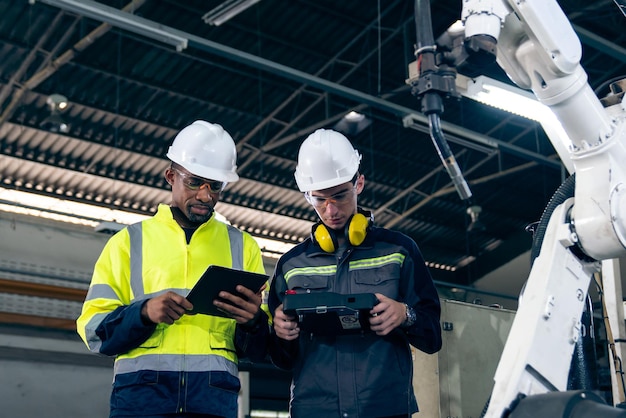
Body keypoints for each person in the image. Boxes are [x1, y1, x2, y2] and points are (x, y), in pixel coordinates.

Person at [76, 120, 269, 418]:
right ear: (171, 176)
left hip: (212, 401)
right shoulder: (127, 243)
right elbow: (94, 332)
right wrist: (144, 313)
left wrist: (254, 322)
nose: (206, 196)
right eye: (194, 182)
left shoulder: (243, 247)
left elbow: (257, 348)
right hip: (142, 400)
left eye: (215, 186)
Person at [268, 129, 442, 418]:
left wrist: (405, 314)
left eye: (339, 195)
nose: (331, 209)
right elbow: (281, 359)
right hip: (314, 410)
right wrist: (281, 333)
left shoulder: (400, 251)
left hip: (384, 408)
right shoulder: (291, 265)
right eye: (319, 199)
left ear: (358, 183)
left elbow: (433, 337)